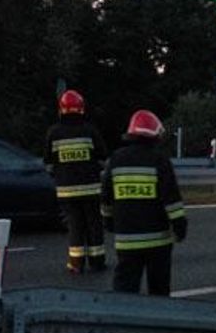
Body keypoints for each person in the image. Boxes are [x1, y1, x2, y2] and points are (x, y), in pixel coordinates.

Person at [102, 109, 187, 296]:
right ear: (154, 136)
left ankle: (122, 322)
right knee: (159, 291)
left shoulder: (116, 159)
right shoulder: (159, 160)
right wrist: (180, 227)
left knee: (125, 290)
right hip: (158, 241)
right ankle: (157, 322)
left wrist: (108, 222)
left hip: (126, 241)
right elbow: (172, 201)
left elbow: (106, 197)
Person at [44, 89, 107, 274]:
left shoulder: (53, 132)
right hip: (91, 189)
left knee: (75, 226)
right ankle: (97, 262)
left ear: (61, 109)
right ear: (81, 109)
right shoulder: (89, 131)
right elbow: (103, 158)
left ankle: (76, 264)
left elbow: (48, 164)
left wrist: (60, 174)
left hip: (67, 191)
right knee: (94, 225)